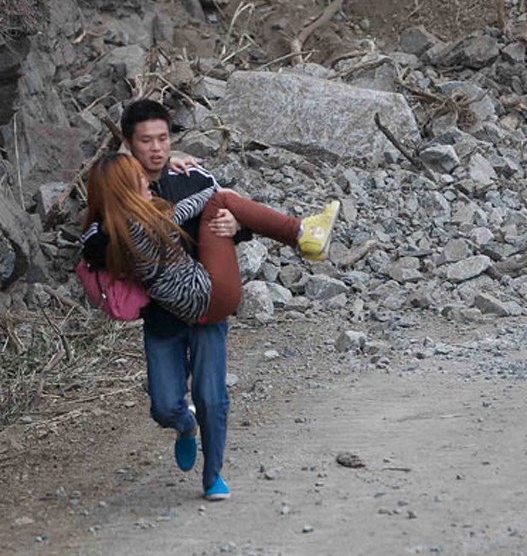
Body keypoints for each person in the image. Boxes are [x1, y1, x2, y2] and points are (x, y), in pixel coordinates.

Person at [81, 100, 338, 501]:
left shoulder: (191, 175)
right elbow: (93, 245)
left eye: (164, 139)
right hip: (164, 320)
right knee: (164, 405)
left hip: (207, 303)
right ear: (127, 145)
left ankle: (212, 475)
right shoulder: (120, 196)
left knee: (211, 395)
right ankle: (185, 425)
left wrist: (236, 225)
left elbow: (238, 226)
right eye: (145, 141)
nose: (157, 149)